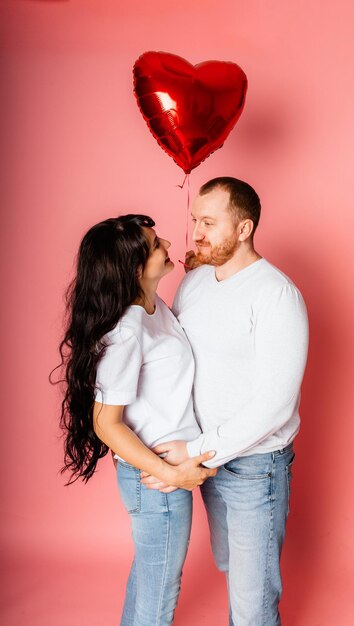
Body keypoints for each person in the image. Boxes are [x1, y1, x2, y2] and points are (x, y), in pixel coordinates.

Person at [142, 178, 309, 626]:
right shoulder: (193, 284)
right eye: (196, 219)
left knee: (253, 603)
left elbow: (276, 404)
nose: (196, 231)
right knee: (233, 570)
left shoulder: (276, 295)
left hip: (255, 467)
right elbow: (172, 363)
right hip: (209, 463)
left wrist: (193, 451)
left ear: (243, 228)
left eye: (210, 222)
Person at [55, 213, 217, 626]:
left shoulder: (153, 305)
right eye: (156, 244)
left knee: (150, 581)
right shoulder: (126, 330)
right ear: (136, 268)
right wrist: (171, 474)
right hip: (155, 478)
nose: (167, 245)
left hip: (164, 469)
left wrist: (201, 273)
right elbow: (106, 424)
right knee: (159, 591)